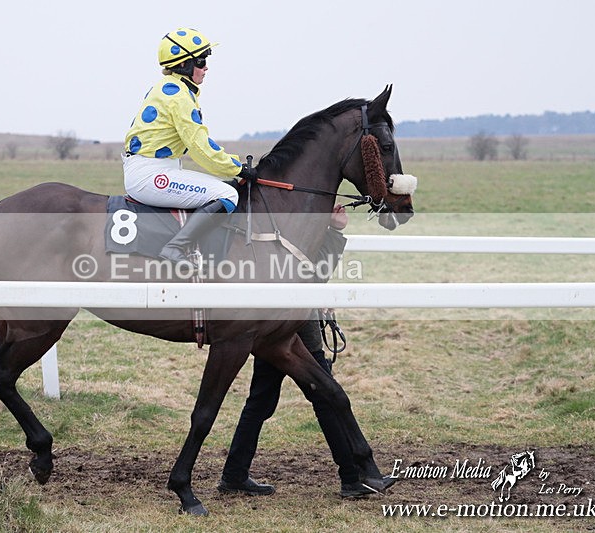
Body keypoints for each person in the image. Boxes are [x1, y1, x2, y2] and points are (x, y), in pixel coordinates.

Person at [218, 206, 396, 499]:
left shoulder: (282, 217)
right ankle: (353, 477)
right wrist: (336, 231)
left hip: (278, 318)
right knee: (326, 395)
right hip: (294, 321)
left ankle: (235, 474)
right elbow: (312, 272)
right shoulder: (298, 223)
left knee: (261, 400)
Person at [123, 28, 256, 270]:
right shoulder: (179, 97)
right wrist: (237, 168)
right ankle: (175, 248)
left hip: (154, 169)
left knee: (222, 189)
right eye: (201, 61)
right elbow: (200, 147)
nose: (206, 68)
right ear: (184, 64)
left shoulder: (174, 88)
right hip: (150, 175)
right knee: (228, 195)